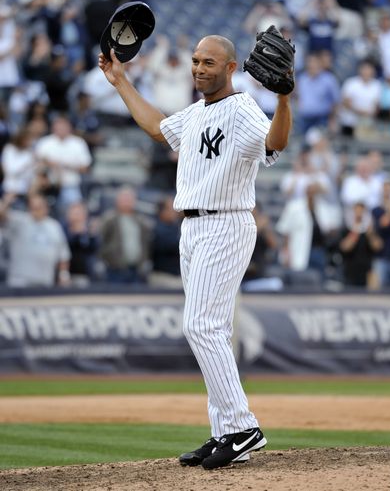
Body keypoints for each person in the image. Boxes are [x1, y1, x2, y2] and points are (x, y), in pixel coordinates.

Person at [98, 31, 292, 469]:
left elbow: (275, 143)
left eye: (209, 62)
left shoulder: (242, 108)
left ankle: (243, 428)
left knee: (200, 326)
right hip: (195, 227)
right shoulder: (196, 113)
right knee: (213, 330)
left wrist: (283, 100)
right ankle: (225, 429)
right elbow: (156, 127)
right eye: (196, 61)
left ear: (230, 68)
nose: (200, 68)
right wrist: (120, 82)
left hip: (225, 222)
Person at [0, 193, 71, 288]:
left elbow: (63, 255)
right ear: (29, 207)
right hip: (20, 280)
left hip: (45, 280)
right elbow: (2, 216)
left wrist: (63, 275)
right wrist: (6, 202)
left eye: (40, 206)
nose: (37, 209)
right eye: (34, 206)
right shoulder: (20, 220)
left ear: (46, 208)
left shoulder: (54, 226)